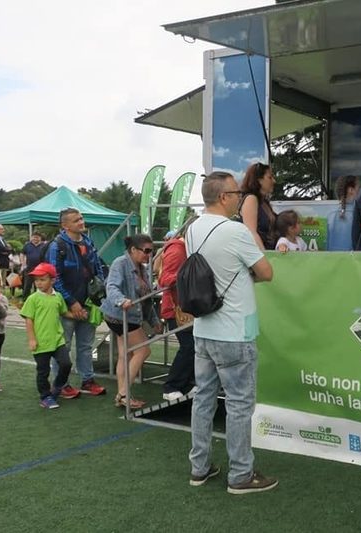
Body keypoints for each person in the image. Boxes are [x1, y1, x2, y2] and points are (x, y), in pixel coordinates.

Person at [188, 171, 277, 494]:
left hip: (204, 328)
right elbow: (266, 272)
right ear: (224, 197)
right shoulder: (235, 231)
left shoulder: (192, 229)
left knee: (203, 400)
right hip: (234, 331)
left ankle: (199, 467)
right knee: (239, 405)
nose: (241, 196)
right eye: (236, 192)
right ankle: (240, 474)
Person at [47, 207, 107, 397]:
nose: (81, 222)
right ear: (65, 225)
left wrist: (96, 295)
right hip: (66, 307)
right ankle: (60, 383)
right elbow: (54, 278)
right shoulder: (57, 246)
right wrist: (72, 303)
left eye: (81, 218)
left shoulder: (88, 242)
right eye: (76, 220)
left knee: (86, 345)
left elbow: (97, 268)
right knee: (63, 346)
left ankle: (87, 379)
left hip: (88, 303)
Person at [100, 234, 161, 409]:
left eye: (151, 251)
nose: (149, 255)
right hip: (121, 314)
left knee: (125, 354)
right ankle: (123, 393)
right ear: (133, 249)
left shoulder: (141, 267)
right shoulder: (121, 263)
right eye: (147, 251)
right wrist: (121, 300)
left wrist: (154, 320)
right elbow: (111, 286)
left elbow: (147, 299)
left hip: (128, 315)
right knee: (143, 351)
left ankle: (123, 396)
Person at [20, 263, 78, 409]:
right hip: (41, 342)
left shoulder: (58, 297)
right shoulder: (33, 299)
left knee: (66, 364)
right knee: (43, 371)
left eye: (42, 279)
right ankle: (45, 397)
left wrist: (77, 315)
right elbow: (29, 320)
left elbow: (63, 312)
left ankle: (56, 388)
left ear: (52, 280)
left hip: (57, 340)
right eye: (36, 280)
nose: (38, 283)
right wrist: (32, 339)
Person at [158, 224, 196, 401]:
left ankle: (187, 384)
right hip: (176, 309)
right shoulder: (178, 249)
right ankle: (172, 386)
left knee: (193, 347)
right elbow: (165, 279)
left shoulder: (185, 248)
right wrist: (189, 274)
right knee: (189, 346)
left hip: (186, 307)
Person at [239, 162, 278, 250]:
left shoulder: (264, 202)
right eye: (270, 177)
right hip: (258, 254)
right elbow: (251, 232)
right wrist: (264, 257)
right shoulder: (251, 199)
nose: (274, 181)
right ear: (259, 180)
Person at [326, 175, 358, 252]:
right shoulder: (357, 213)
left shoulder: (330, 214)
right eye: (358, 188)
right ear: (351, 190)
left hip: (333, 260)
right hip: (353, 260)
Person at [21, 231, 47, 299]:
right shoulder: (27, 245)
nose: (35, 239)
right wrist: (23, 263)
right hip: (29, 267)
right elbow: (22, 254)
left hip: (40, 268)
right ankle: (25, 299)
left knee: (39, 284)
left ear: (40, 238)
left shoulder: (43, 246)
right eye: (34, 237)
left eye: (37, 237)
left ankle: (38, 298)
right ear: (31, 237)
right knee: (27, 284)